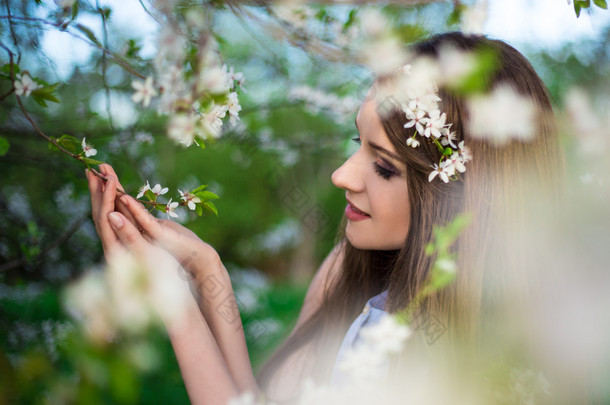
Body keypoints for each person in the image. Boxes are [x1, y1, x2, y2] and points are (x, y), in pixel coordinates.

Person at [87, 32, 562, 404]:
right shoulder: (346, 270)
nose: (341, 176)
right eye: (359, 143)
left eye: (383, 165)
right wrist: (204, 272)